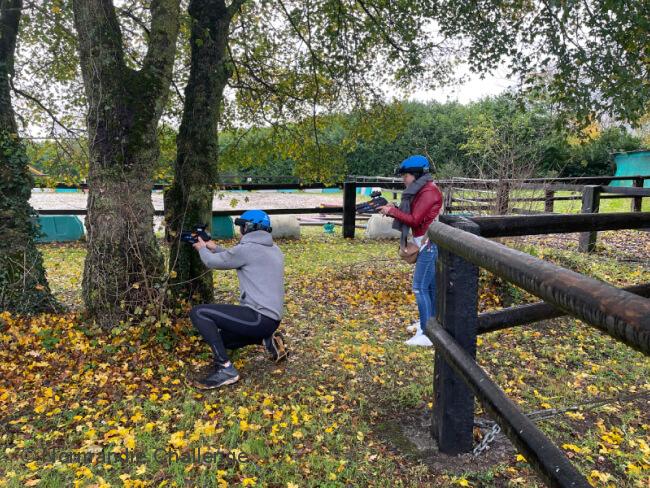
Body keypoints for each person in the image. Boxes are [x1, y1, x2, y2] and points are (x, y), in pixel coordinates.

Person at [189, 210, 287, 389]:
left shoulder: (248, 250)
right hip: (270, 320)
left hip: (258, 317)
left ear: (248, 227)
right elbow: (236, 256)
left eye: (242, 226)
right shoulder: (273, 249)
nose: (240, 229)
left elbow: (213, 263)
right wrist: (213, 247)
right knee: (222, 340)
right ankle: (266, 341)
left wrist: (202, 248)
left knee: (199, 312)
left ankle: (226, 369)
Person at [378, 155, 443, 347]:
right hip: (425, 242)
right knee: (429, 287)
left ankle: (426, 332)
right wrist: (394, 208)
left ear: (415, 175)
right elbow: (414, 215)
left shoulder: (428, 192)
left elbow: (414, 220)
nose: (403, 179)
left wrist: (391, 212)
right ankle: (430, 324)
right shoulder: (420, 190)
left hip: (429, 245)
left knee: (419, 287)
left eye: (405, 175)